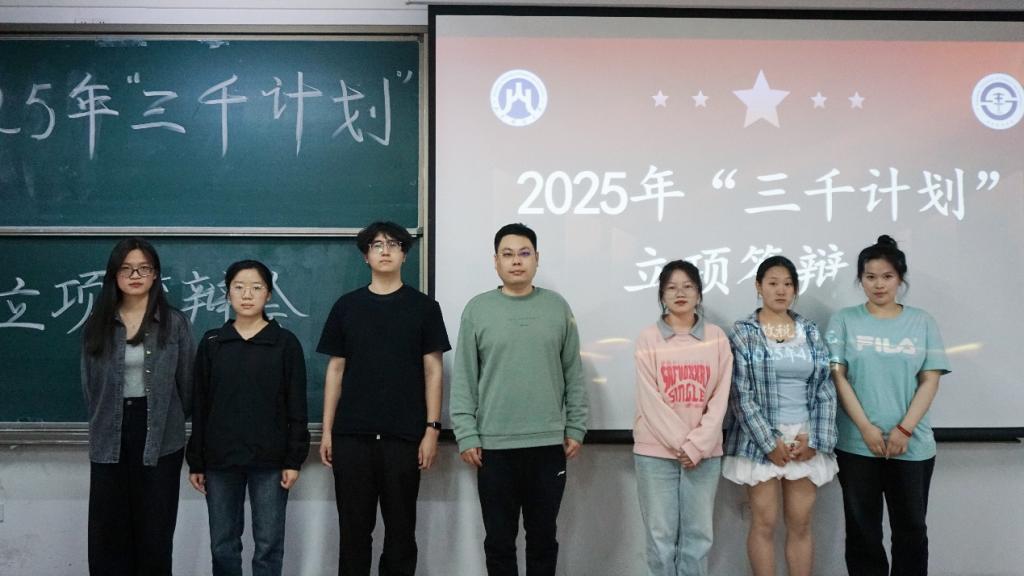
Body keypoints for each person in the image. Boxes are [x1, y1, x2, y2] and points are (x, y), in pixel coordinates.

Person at [450, 222, 588, 576]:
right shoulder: (478, 310)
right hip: (494, 447)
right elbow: (464, 378)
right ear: (495, 261)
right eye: (507, 254)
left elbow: (573, 373)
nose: (516, 261)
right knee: (499, 542)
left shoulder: (557, 307)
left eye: (524, 253)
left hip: (547, 444)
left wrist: (576, 425)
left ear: (536, 259)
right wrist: (466, 433)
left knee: (543, 540)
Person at [317, 221, 450, 576]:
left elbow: (433, 371)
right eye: (377, 245)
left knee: (401, 533)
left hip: (404, 437)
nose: (386, 250)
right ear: (366, 256)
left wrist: (432, 428)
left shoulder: (424, 307)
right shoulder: (347, 306)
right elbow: (335, 371)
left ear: (405, 254)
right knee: (353, 533)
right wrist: (327, 431)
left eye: (394, 244)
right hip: (352, 436)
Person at [826, 235, 951, 576]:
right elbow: (838, 377)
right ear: (860, 279)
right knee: (862, 533)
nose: (878, 284)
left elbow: (930, 380)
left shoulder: (922, 321)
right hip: (857, 444)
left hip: (911, 444)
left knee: (912, 531)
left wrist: (904, 429)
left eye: (887, 276)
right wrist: (866, 428)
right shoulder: (844, 320)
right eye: (870, 277)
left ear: (900, 279)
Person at [186, 260, 310, 576]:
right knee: (222, 545)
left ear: (268, 294)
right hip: (220, 460)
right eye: (239, 287)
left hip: (271, 460)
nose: (247, 295)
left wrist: (294, 459)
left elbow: (297, 405)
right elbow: (200, 405)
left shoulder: (285, 343)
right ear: (227, 293)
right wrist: (197, 461)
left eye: (256, 288)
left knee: (268, 545)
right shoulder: (213, 343)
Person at [81, 237, 194, 576]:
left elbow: (187, 383)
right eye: (126, 268)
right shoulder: (98, 323)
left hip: (161, 436)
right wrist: (106, 418)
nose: (135, 275)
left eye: (143, 268)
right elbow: (90, 385)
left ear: (155, 274)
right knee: (108, 534)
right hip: (109, 435)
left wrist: (167, 417)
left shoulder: (174, 323)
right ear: (114, 275)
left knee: (155, 533)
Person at [723, 255, 837, 576]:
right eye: (773, 283)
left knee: (801, 524)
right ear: (759, 286)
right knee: (764, 523)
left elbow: (825, 388)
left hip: (804, 436)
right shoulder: (744, 332)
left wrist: (813, 437)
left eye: (788, 284)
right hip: (759, 440)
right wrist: (768, 442)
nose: (781, 290)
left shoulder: (809, 331)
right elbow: (739, 393)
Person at [633, 260, 733, 576]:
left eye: (688, 286)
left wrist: (697, 445)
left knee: (698, 539)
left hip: (704, 454)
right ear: (662, 294)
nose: (680, 293)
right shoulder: (648, 338)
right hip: (655, 454)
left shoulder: (716, 338)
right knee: (660, 540)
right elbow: (650, 400)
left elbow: (721, 397)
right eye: (672, 287)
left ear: (699, 293)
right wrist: (683, 444)